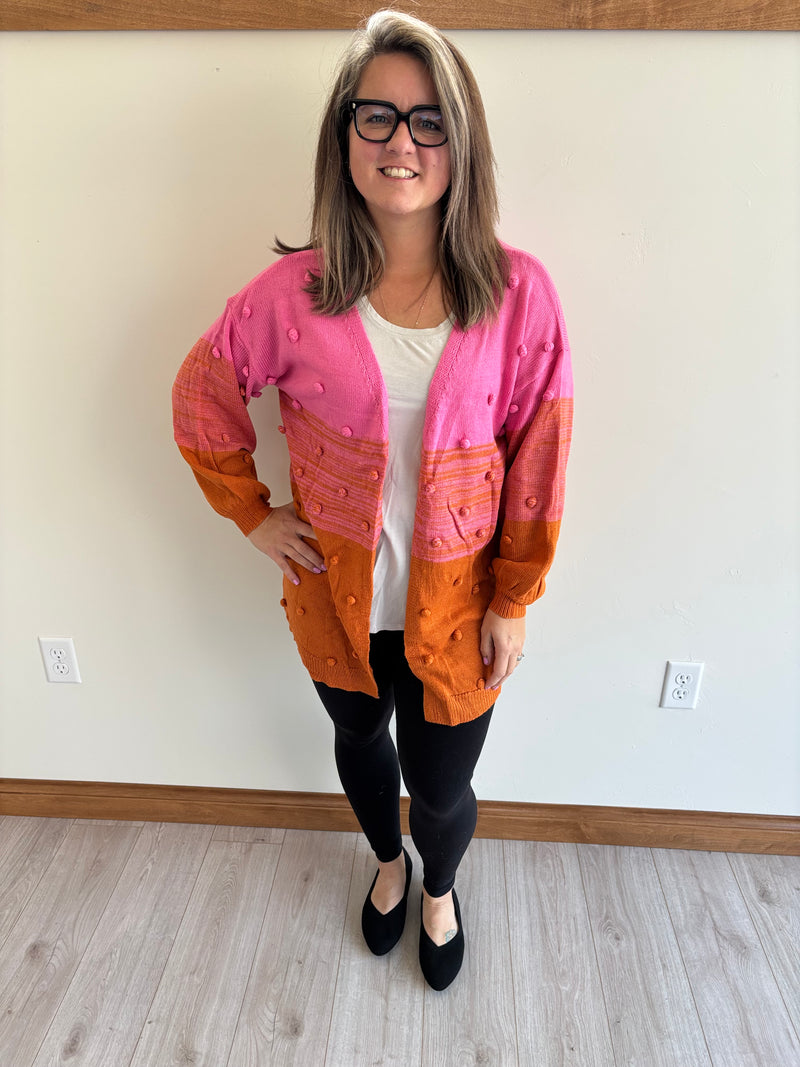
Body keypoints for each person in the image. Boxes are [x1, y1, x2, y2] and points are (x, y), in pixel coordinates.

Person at [173, 9, 572, 991]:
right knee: (359, 741)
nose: (400, 141)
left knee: (440, 782)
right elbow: (204, 391)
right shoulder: (290, 294)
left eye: (428, 119)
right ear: (343, 135)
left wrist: (513, 595)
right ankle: (385, 865)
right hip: (333, 592)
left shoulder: (516, 294)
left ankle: (437, 878)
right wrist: (251, 512)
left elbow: (541, 451)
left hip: (457, 604)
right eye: (377, 116)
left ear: (460, 142)